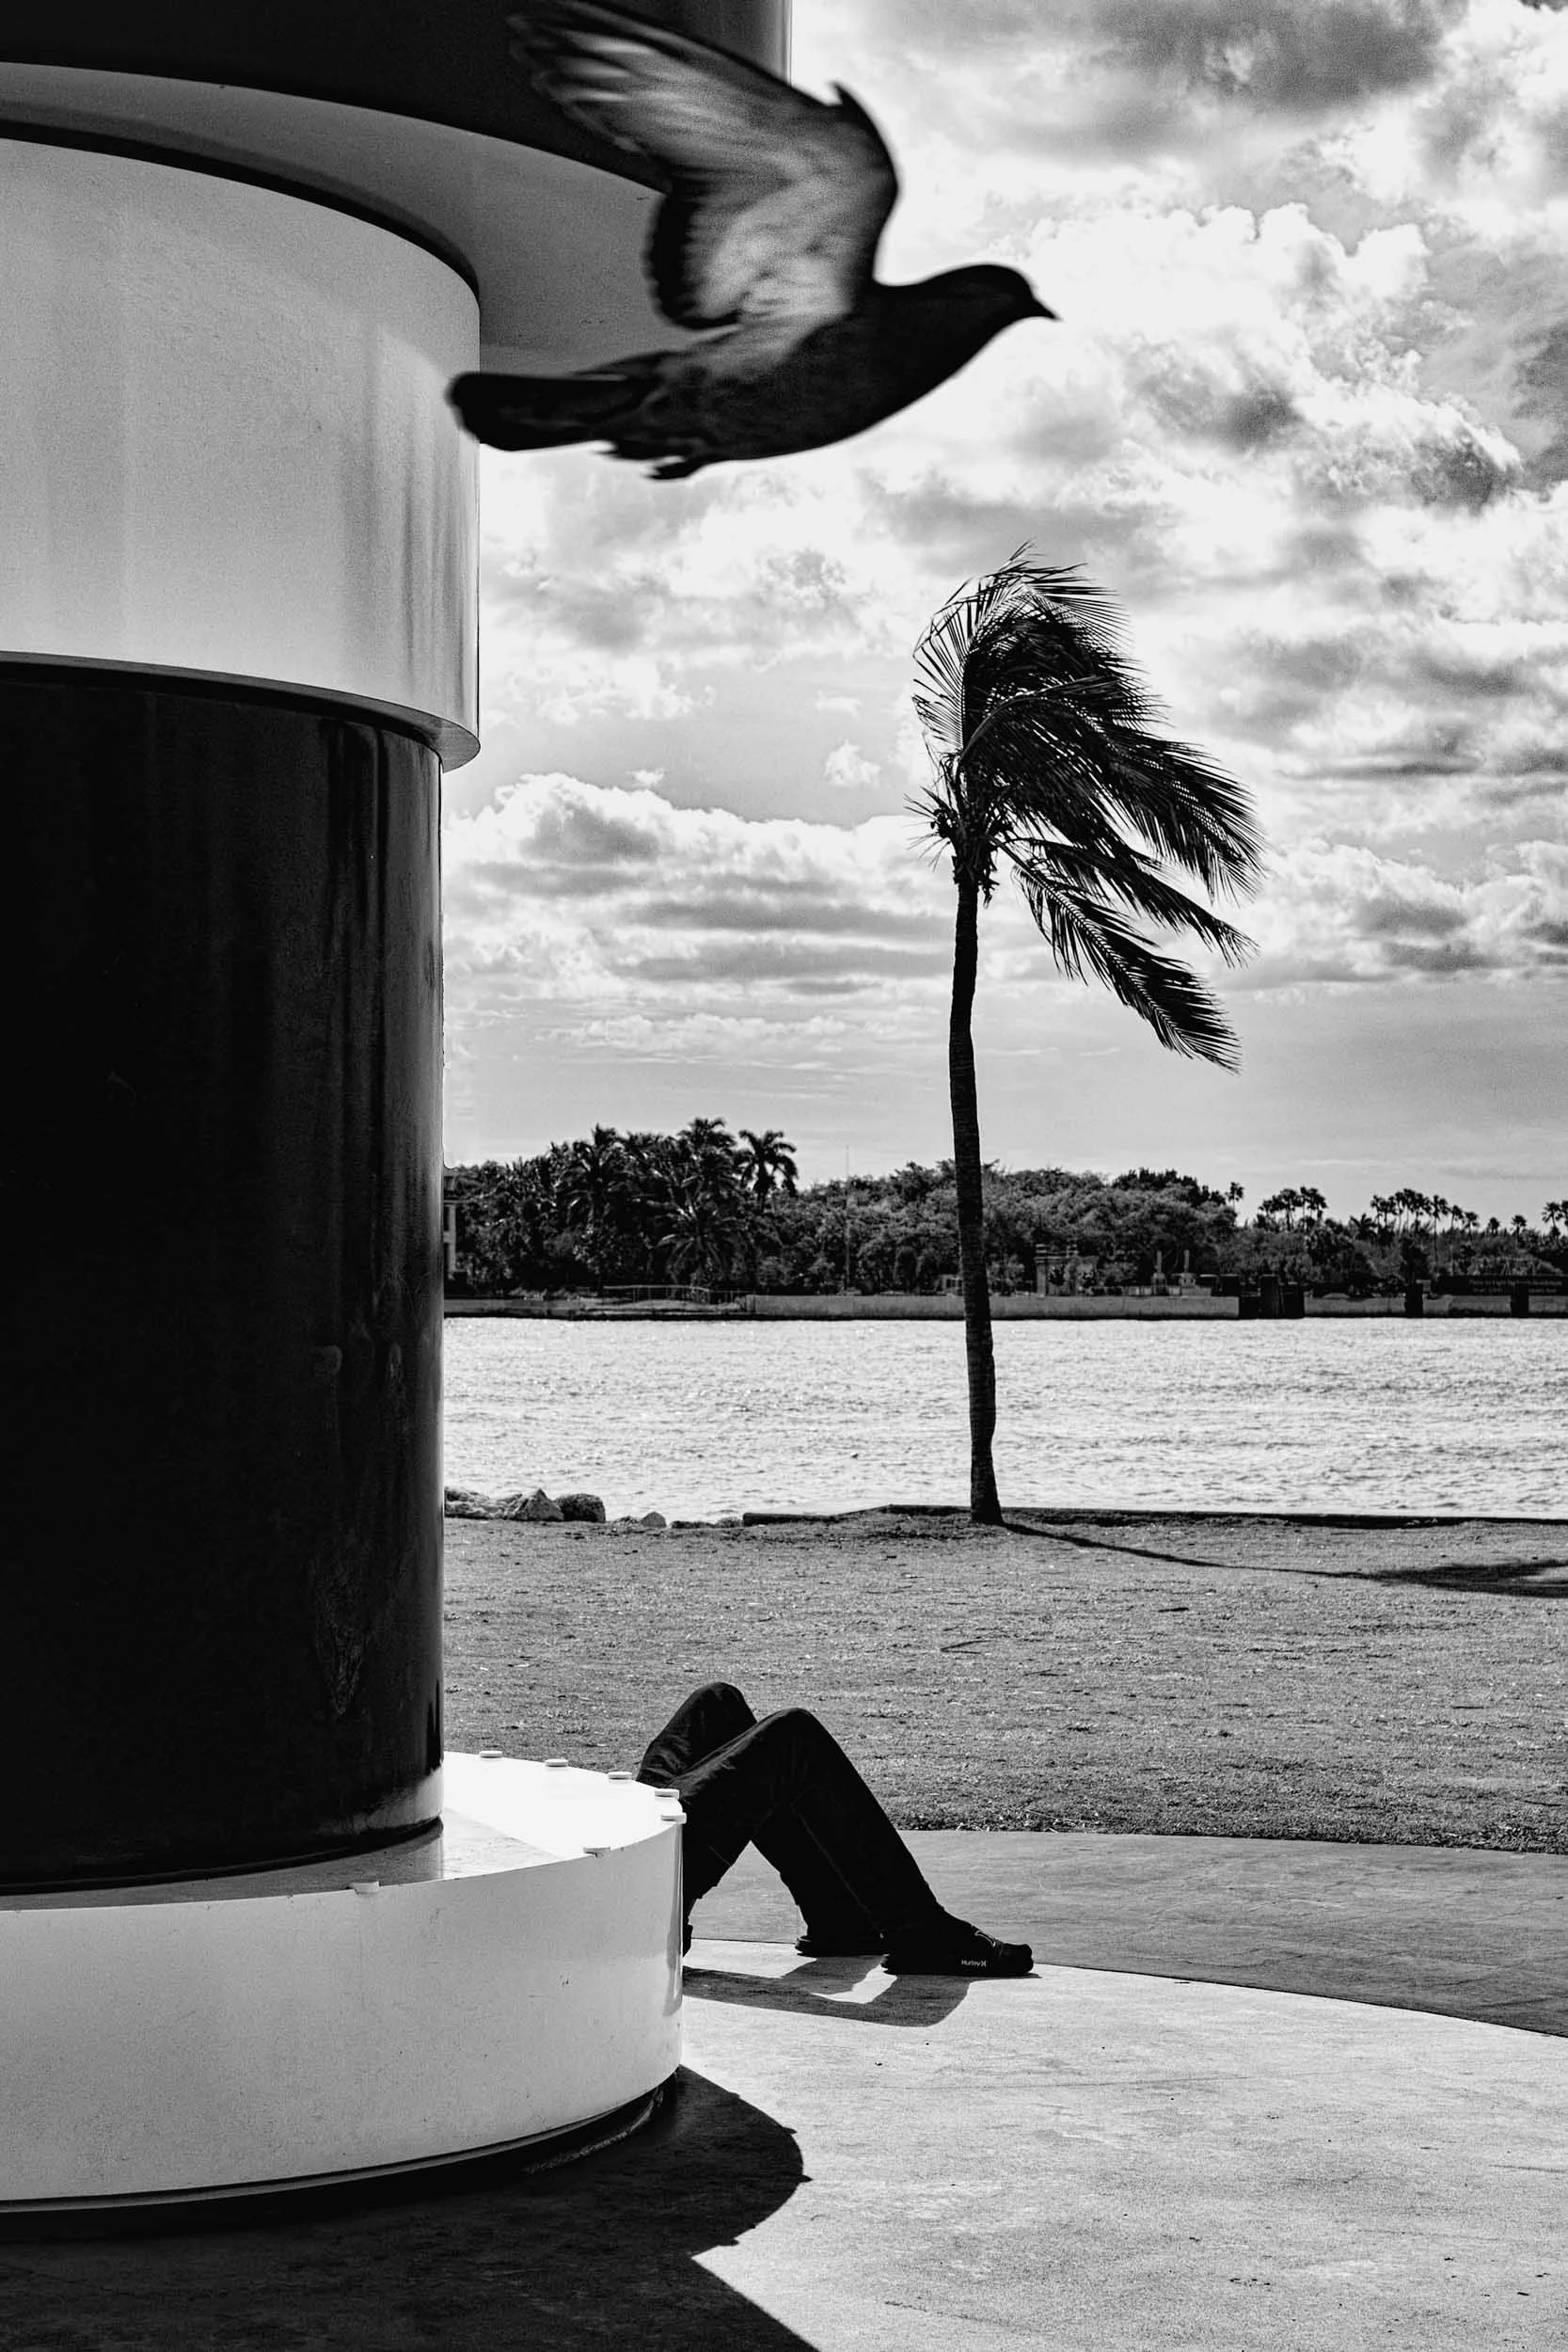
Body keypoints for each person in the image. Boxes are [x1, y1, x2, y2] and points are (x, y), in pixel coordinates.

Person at [636, 1681, 1033, 1978]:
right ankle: (919, 1931)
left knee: (717, 1702)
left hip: (627, 1844)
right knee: (794, 1735)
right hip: (635, 1883)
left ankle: (839, 1917)